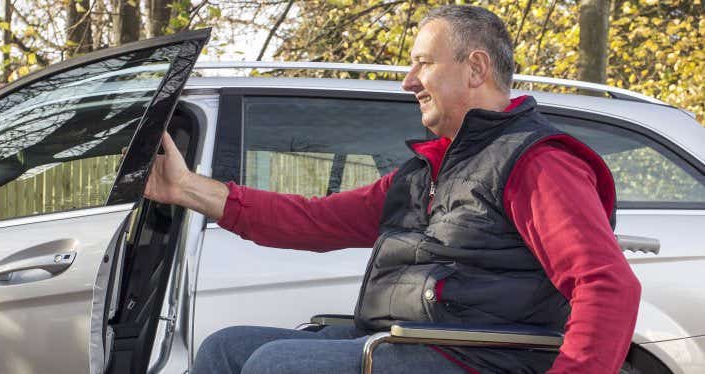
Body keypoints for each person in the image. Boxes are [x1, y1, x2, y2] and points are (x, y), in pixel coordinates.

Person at [144, 5, 641, 374]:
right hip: (404, 341)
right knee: (224, 349)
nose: (407, 81)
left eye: (423, 63)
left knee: (276, 366)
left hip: (484, 358)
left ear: (475, 69)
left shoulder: (537, 163)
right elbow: (314, 219)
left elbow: (608, 286)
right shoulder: (424, 173)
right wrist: (188, 188)